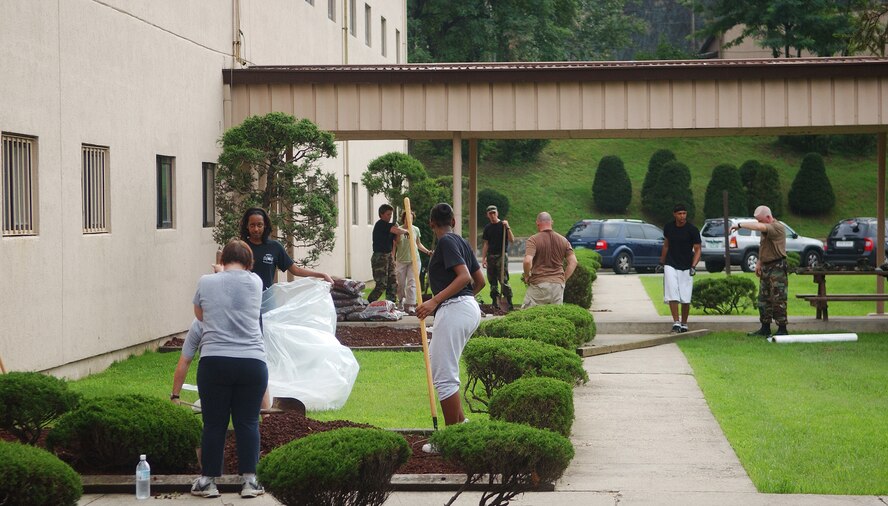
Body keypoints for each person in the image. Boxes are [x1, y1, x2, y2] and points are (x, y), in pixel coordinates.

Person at [171, 239, 267, 499]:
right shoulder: (256, 282)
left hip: (215, 362)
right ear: (249, 262)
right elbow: (236, 286)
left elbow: (201, 316)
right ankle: (250, 481)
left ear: (222, 259)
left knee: (213, 423)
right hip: (252, 363)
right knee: (248, 422)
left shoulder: (205, 281)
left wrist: (217, 274)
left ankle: (208, 481)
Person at [416, 203, 485, 436]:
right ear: (453, 222)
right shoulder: (461, 242)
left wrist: (435, 301)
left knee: (444, 374)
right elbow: (480, 281)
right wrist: (465, 301)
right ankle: (461, 425)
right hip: (466, 308)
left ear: (431, 224)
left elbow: (464, 277)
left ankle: (450, 438)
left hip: (455, 309)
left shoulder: (446, 242)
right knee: (441, 365)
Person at [238, 208, 333, 290]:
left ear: (265, 225)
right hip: (244, 302)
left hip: (267, 302)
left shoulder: (274, 247)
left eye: (259, 225)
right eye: (252, 225)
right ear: (247, 226)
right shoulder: (240, 247)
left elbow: (296, 270)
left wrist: (322, 275)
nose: (256, 229)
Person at [731, 205, 788, 337]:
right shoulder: (766, 229)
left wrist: (739, 225)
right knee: (763, 299)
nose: (759, 223)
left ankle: (782, 329)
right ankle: (765, 328)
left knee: (778, 298)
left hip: (777, 267)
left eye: (760, 220)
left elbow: (759, 227)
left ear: (768, 218)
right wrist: (759, 262)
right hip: (766, 266)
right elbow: (764, 246)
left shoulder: (777, 227)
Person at [658, 203, 702, 333]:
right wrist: (662, 261)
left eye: (684, 213)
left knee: (685, 296)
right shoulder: (669, 228)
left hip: (687, 265)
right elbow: (666, 245)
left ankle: (684, 323)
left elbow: (698, 250)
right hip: (671, 263)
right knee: (672, 292)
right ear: (674, 214)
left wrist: (693, 266)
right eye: (679, 214)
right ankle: (676, 322)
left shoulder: (692, 230)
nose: (682, 216)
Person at [521, 212, 577, 308]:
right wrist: (563, 279)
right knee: (555, 317)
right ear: (552, 222)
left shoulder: (533, 240)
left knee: (527, 316)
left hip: (539, 284)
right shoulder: (564, 240)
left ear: (537, 223)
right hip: (558, 286)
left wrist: (527, 276)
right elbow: (573, 262)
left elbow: (527, 261)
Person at [392, 210, 432, 314]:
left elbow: (418, 244)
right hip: (401, 260)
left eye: (411, 218)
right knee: (400, 284)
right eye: (407, 218)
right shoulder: (399, 230)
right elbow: (395, 245)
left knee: (412, 283)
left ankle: (410, 305)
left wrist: (427, 252)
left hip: (414, 260)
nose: (409, 220)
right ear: (403, 218)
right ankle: (400, 302)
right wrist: (393, 259)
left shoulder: (416, 229)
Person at [368, 204, 409, 302]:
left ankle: (390, 304)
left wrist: (393, 257)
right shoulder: (381, 224)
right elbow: (397, 231)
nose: (390, 216)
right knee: (382, 284)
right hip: (380, 256)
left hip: (388, 255)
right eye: (387, 214)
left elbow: (396, 240)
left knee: (393, 282)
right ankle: (368, 303)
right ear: (381, 215)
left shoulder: (390, 226)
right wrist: (407, 231)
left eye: (391, 215)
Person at [480, 205, 515, 310]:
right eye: (490, 214)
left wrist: (508, 227)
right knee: (492, 281)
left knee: (503, 280)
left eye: (494, 213)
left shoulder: (503, 225)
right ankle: (495, 302)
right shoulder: (487, 228)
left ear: (497, 213)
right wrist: (483, 258)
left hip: (501, 256)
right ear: (487, 215)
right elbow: (486, 244)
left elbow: (512, 239)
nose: (492, 215)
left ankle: (509, 302)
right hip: (491, 256)